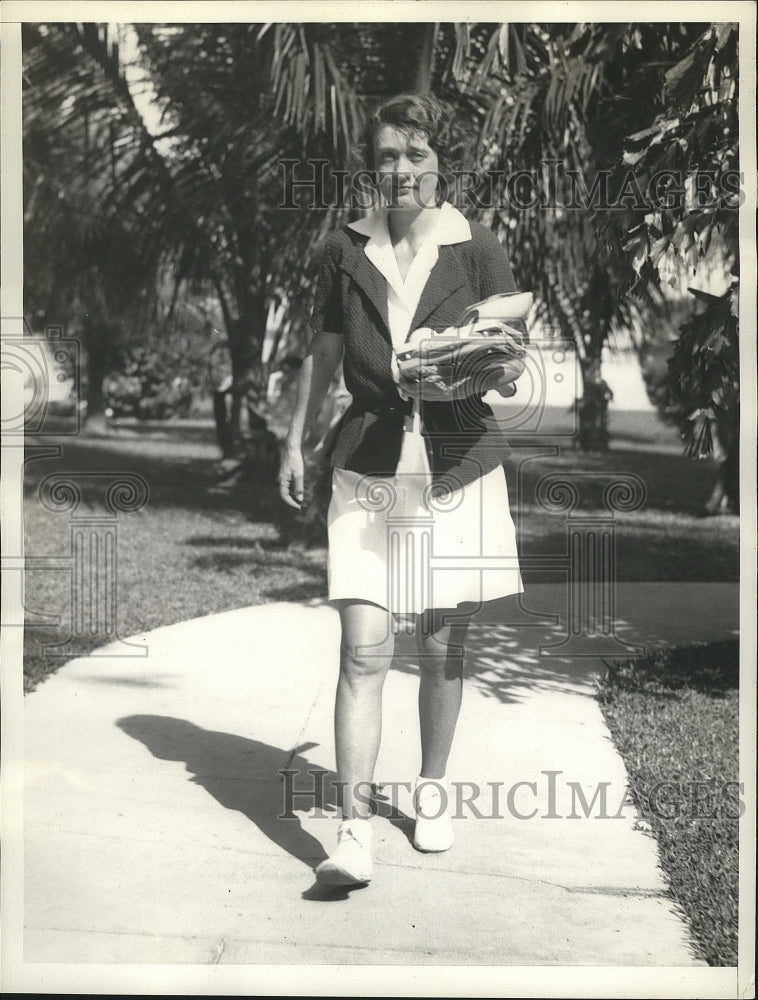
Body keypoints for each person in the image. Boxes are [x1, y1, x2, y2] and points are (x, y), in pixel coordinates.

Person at [279, 93, 525, 888]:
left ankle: (432, 787)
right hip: (369, 464)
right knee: (363, 650)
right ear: (371, 165)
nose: (402, 169)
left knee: (443, 644)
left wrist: (495, 361)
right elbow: (322, 349)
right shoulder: (345, 248)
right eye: (388, 155)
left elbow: (509, 349)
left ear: (439, 163)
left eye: (416, 154)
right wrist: (295, 434)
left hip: (456, 463)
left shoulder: (475, 245)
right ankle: (352, 835)